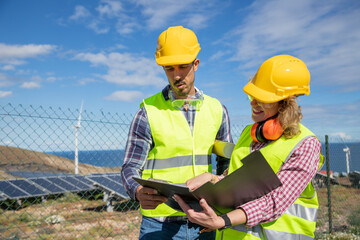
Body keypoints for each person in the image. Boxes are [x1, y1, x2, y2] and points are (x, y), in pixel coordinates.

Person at [174, 54, 324, 240]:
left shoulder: (305, 144)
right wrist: (213, 179)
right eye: (252, 96)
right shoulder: (248, 133)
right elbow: (238, 182)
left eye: (263, 98)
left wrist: (222, 221)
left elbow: (276, 200)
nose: (253, 103)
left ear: (287, 103)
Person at [120, 26, 233, 240]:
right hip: (159, 225)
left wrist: (219, 208)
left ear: (196, 64)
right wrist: (136, 191)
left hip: (204, 221)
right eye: (169, 68)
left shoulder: (218, 110)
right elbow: (129, 166)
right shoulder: (147, 113)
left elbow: (228, 166)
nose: (177, 75)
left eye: (183, 66)